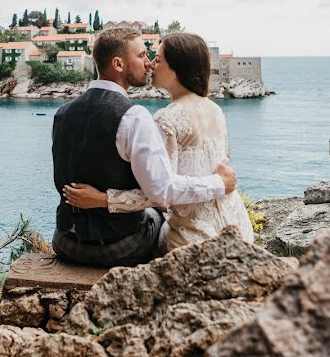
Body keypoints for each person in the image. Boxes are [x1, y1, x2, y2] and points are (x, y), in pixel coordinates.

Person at [52, 28, 237, 267]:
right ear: (118, 64)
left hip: (65, 242)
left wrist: (101, 199)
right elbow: (161, 191)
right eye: (141, 56)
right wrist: (218, 183)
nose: (148, 63)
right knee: (157, 214)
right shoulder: (134, 117)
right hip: (116, 249)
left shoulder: (62, 113)